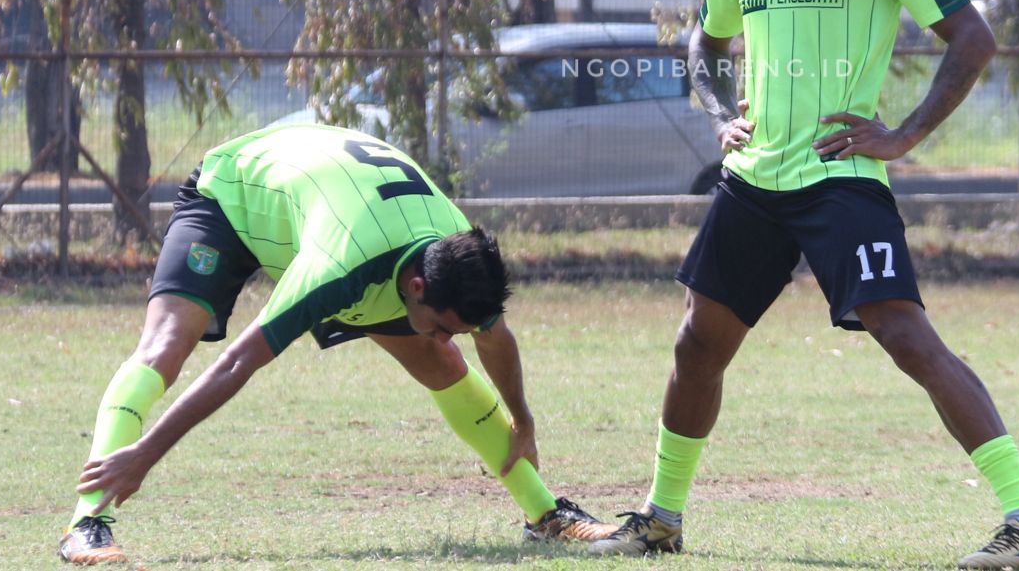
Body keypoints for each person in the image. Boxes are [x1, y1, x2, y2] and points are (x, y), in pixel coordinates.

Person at [591, 0, 1019, 570]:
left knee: (910, 338)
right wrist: (719, 114)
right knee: (696, 344)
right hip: (753, 183)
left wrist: (905, 133)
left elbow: (972, 38)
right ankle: (661, 517)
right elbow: (703, 44)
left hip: (841, 178)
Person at [58, 123, 614, 564]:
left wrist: (523, 419)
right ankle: (87, 523)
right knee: (164, 347)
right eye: (446, 323)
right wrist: (146, 455)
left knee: (440, 360)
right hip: (234, 195)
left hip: (329, 206)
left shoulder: (457, 254)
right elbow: (236, 364)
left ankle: (546, 515)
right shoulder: (342, 264)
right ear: (417, 288)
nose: (455, 336)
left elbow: (494, 337)